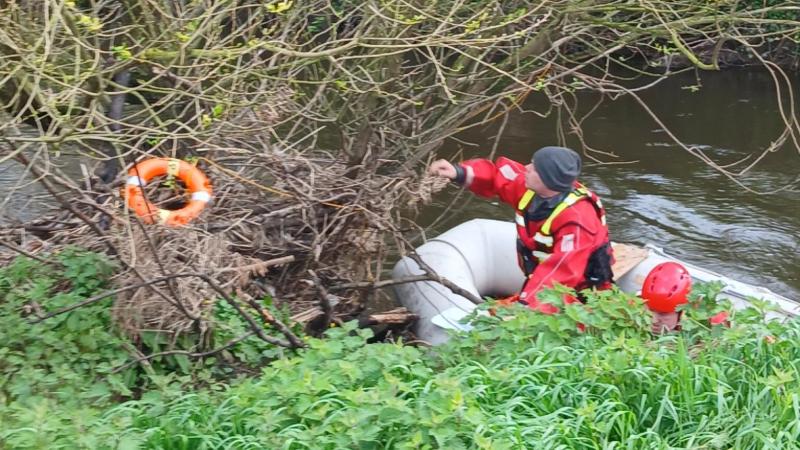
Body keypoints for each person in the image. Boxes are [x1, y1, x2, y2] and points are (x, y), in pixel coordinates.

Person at [429, 146, 614, 313]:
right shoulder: (534, 190)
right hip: (542, 275)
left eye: (534, 167)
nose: (526, 168)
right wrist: (458, 172)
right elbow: (498, 177)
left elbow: (562, 271)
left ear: (547, 179)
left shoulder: (577, 220)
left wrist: (527, 305)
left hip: (581, 289)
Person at [641, 261, 729, 333]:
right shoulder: (638, 303)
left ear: (681, 311)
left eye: (662, 314)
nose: (654, 320)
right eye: (651, 310)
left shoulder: (709, 319)